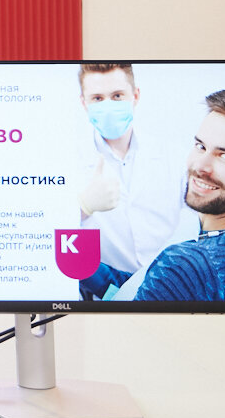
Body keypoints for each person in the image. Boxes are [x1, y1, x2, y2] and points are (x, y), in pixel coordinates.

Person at [117, 90, 225, 302]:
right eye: (201, 147)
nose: (200, 166)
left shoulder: (184, 265)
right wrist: (90, 272)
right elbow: (151, 286)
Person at [72, 63, 193, 299]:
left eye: (117, 96)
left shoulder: (174, 156)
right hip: (108, 294)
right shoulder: (68, 161)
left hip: (170, 291)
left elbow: (200, 219)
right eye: (97, 98)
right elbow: (46, 231)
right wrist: (83, 207)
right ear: (84, 103)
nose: (108, 105)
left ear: (135, 96)